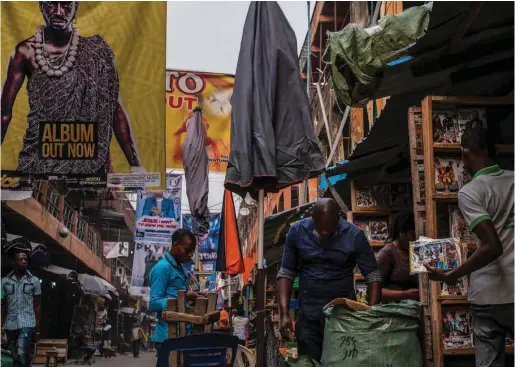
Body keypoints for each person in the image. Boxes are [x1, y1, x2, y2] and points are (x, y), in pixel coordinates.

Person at [1, 1, 143, 174]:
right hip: (39, 159)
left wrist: (136, 165)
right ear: (41, 6)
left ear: (76, 7)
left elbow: (114, 108)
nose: (59, 11)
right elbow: (3, 114)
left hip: (87, 162)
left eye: (67, 5)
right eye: (51, 4)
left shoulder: (96, 52)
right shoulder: (25, 52)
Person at [426, 127, 514, 367]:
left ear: (466, 152)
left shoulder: (471, 192)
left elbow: (492, 246)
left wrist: (452, 274)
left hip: (488, 294)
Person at [277, 198, 382, 362]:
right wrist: (283, 314)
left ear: (338, 218)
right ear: (312, 218)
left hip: (343, 318)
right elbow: (286, 273)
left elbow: (373, 276)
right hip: (308, 315)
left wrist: (372, 314)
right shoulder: (296, 232)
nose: (324, 235)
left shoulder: (354, 235)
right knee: (308, 362)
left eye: (329, 230)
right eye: (320, 230)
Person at [149, 229, 200, 351]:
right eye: (187, 250)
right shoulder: (162, 268)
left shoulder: (178, 268)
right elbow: (154, 304)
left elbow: (181, 298)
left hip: (182, 335)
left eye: (192, 251)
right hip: (168, 337)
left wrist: (192, 299)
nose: (190, 255)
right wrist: (185, 297)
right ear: (176, 245)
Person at [1, 249, 41, 367]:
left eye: (26, 260)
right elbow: (2, 305)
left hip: (27, 323)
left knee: (22, 352)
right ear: (13, 262)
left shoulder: (34, 281)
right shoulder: (4, 281)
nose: (24, 261)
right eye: (20, 259)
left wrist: (37, 330)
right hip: (10, 324)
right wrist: (0, 326)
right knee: (14, 356)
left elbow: (38, 305)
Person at [376, 211, 419, 303]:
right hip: (395, 309)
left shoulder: (418, 250)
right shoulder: (386, 254)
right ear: (401, 233)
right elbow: (374, 291)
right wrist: (405, 294)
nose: (415, 238)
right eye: (412, 234)